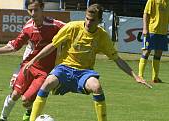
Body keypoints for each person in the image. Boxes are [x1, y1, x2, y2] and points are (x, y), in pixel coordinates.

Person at [23, 4, 151, 121]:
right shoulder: (72, 27)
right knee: (48, 83)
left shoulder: (102, 36)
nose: (88, 22)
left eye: (93, 20)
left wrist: (135, 76)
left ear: (100, 21)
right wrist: (34, 60)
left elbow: (117, 59)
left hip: (84, 72)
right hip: (64, 68)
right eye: (87, 18)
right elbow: (52, 45)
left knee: (96, 86)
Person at [0, 0, 65, 121]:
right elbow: (14, 46)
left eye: (36, 10)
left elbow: (72, 28)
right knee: (15, 94)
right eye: (30, 10)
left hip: (45, 71)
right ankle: (3, 118)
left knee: (25, 101)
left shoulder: (55, 25)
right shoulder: (28, 27)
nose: (33, 13)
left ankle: (29, 110)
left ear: (42, 9)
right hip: (28, 66)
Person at [138, 0, 169, 83]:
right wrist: (145, 28)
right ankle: (140, 76)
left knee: (158, 53)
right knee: (146, 51)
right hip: (152, 30)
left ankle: (155, 77)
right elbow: (146, 14)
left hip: (163, 32)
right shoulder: (152, 0)